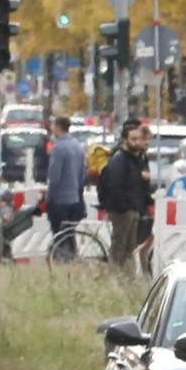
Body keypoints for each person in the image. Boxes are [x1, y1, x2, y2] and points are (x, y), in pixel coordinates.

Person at [97, 119, 153, 271]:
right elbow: (116, 185)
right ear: (125, 140)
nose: (137, 142)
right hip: (123, 210)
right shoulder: (120, 159)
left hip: (132, 208)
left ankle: (128, 280)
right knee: (119, 248)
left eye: (138, 139)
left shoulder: (135, 158)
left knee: (129, 249)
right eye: (133, 139)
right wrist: (124, 208)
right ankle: (116, 278)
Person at [44, 116, 87, 257]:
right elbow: (82, 175)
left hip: (59, 200)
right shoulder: (78, 146)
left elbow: (54, 177)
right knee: (70, 234)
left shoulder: (58, 148)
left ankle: (61, 260)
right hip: (74, 199)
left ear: (57, 127)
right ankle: (73, 259)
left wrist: (48, 197)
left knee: (59, 235)